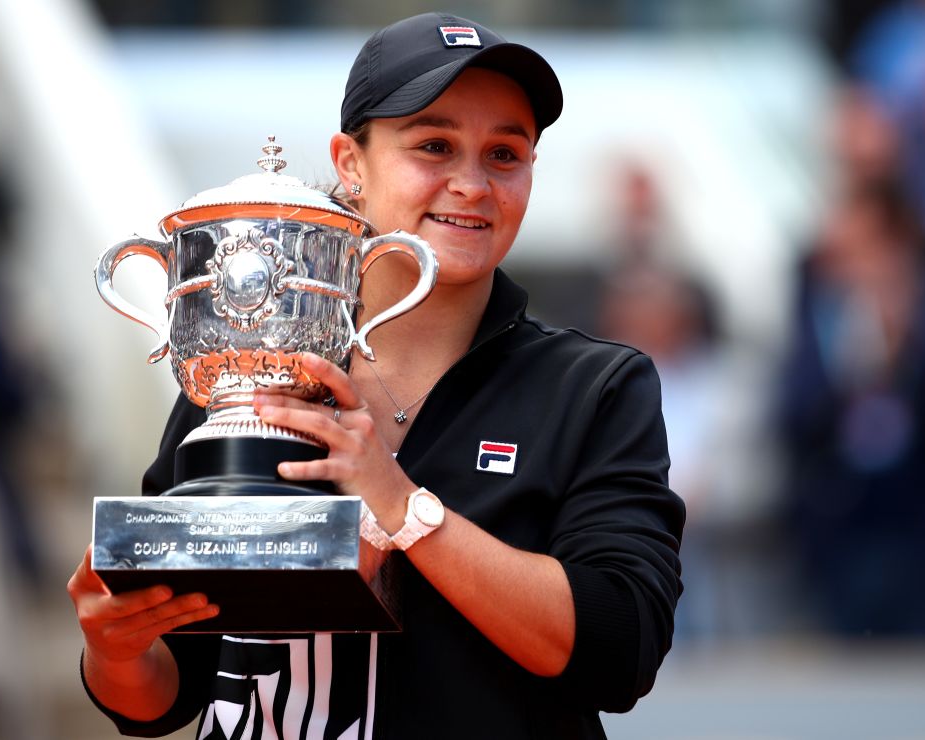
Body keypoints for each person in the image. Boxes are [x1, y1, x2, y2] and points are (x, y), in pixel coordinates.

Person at [68, 12, 684, 739]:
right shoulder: (249, 367)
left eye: (505, 154)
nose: (472, 184)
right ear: (350, 165)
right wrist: (114, 649)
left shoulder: (593, 387)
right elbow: (167, 693)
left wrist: (404, 508)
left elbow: (619, 650)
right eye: (434, 145)